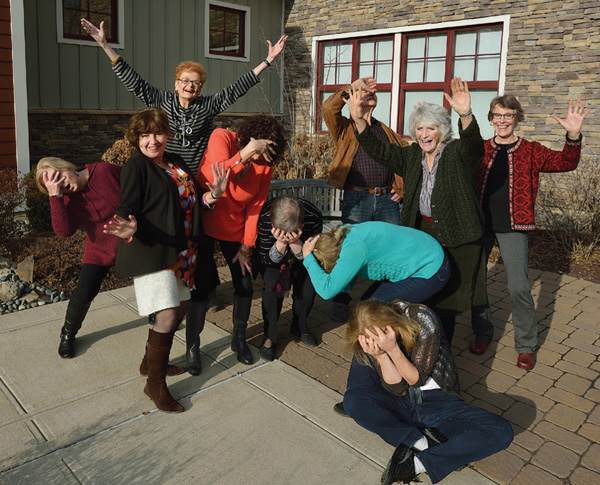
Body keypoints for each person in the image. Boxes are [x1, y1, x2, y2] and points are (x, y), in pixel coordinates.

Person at [103, 108, 228, 413]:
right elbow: (127, 204)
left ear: (167, 134)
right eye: (144, 135)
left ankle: (150, 361)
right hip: (153, 251)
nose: (152, 140)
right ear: (136, 138)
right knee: (169, 314)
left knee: (182, 304)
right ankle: (155, 384)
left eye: (157, 133)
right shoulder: (137, 166)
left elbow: (192, 200)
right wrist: (129, 227)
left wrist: (214, 196)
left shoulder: (175, 161)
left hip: (183, 250)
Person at [348, 77, 487, 344]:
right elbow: (378, 149)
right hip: (422, 233)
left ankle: (440, 354)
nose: (425, 134)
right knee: (423, 294)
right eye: (420, 128)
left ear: (442, 130)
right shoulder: (412, 156)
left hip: (457, 236)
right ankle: (421, 345)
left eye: (431, 128)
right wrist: (359, 120)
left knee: (448, 302)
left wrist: (466, 114)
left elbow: (475, 148)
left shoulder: (456, 153)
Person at [469, 95, 590, 370]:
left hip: (515, 226)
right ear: (491, 118)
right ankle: (483, 332)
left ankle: (526, 345)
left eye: (508, 116)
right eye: (498, 115)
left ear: (516, 119)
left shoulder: (531, 150)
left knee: (519, 287)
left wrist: (573, 135)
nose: (502, 120)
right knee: (476, 282)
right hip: (481, 225)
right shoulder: (481, 149)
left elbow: (565, 163)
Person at [81, 18, 287, 173]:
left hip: (197, 175)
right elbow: (133, 80)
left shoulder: (207, 106)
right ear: (176, 83)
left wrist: (267, 61)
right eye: (185, 80)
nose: (190, 85)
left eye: (196, 82)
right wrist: (104, 45)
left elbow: (237, 88)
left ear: (200, 87)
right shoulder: (162, 100)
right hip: (166, 172)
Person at [344, 300, 513, 485]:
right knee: (353, 400)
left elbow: (417, 380)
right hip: (402, 401)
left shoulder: (422, 317)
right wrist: (381, 355)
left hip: (439, 404)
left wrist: (392, 348)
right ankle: (424, 443)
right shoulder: (372, 337)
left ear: (390, 326)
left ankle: (415, 463)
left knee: (501, 431)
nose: (375, 344)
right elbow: (398, 388)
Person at [184, 115, 286, 371]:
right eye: (260, 152)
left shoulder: (265, 164)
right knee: (201, 288)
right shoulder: (221, 137)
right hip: (205, 224)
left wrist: (245, 248)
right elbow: (215, 174)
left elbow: (255, 208)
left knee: (244, 284)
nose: (261, 160)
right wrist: (247, 152)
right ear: (249, 138)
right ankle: (192, 347)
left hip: (235, 230)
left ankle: (238, 338)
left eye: (266, 155)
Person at [322, 76, 408, 322]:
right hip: (356, 198)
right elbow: (329, 108)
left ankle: (382, 299)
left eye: (371, 92)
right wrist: (354, 84)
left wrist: (400, 188)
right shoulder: (345, 128)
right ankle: (340, 299)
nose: (368, 93)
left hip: (386, 201)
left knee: (391, 250)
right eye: (362, 92)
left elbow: (400, 163)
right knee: (350, 251)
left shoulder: (387, 132)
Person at [35, 157, 123, 360]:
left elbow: (136, 190)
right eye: (53, 184)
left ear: (66, 167)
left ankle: (156, 313)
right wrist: (55, 197)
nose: (61, 184)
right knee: (84, 292)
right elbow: (64, 232)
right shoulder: (68, 201)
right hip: (99, 247)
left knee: (148, 275)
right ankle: (67, 335)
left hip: (130, 239)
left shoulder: (104, 171)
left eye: (59, 176)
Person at [302, 222, 450, 305]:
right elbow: (347, 285)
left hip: (431, 268)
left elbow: (327, 291)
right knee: (367, 306)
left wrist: (308, 258)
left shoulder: (353, 249)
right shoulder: (343, 236)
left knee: (373, 310)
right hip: (425, 254)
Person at [255, 196, 323, 360]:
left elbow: (313, 257)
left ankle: (300, 325)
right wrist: (281, 243)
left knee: (307, 289)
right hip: (274, 256)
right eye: (281, 231)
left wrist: (295, 243)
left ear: (300, 225)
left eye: (290, 231)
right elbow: (264, 259)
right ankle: (269, 336)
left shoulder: (313, 216)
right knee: (271, 288)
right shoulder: (264, 217)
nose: (286, 234)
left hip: (303, 254)